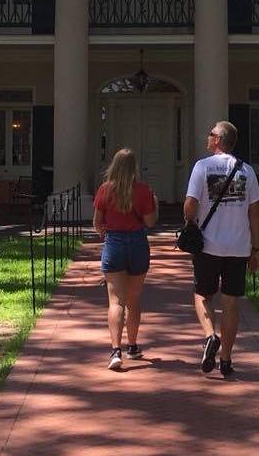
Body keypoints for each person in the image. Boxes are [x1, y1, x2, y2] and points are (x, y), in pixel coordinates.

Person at [183, 119, 259, 379]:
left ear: (218, 139)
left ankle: (209, 335)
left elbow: (190, 204)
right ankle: (226, 359)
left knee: (202, 295)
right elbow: (254, 214)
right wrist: (256, 248)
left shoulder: (202, 167)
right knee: (231, 303)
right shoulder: (247, 171)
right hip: (238, 247)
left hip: (208, 245)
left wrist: (190, 222)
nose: (207, 137)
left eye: (210, 134)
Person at [92, 147, 158, 371]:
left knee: (115, 301)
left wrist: (105, 233)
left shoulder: (105, 190)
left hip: (114, 243)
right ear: (133, 167)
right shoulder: (143, 190)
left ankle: (115, 350)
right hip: (138, 243)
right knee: (134, 299)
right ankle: (133, 345)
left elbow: (97, 222)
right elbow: (150, 222)